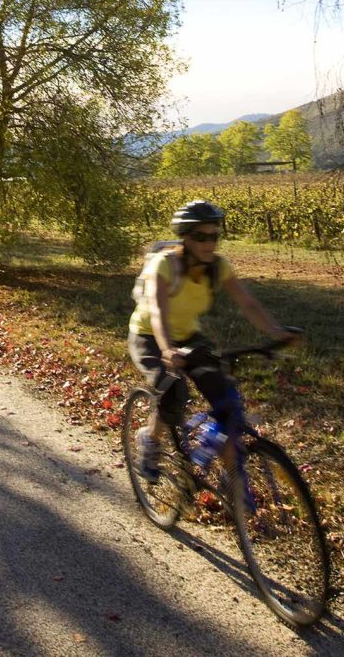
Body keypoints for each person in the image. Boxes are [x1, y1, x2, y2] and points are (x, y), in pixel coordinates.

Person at [127, 199, 296, 482]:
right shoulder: (164, 265)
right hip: (149, 335)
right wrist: (167, 349)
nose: (209, 243)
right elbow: (157, 311)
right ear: (185, 237)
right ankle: (150, 439)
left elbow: (248, 303)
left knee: (225, 398)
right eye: (200, 236)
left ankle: (233, 484)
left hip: (188, 335)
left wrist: (277, 332)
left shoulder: (218, 267)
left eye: (214, 236)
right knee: (173, 388)